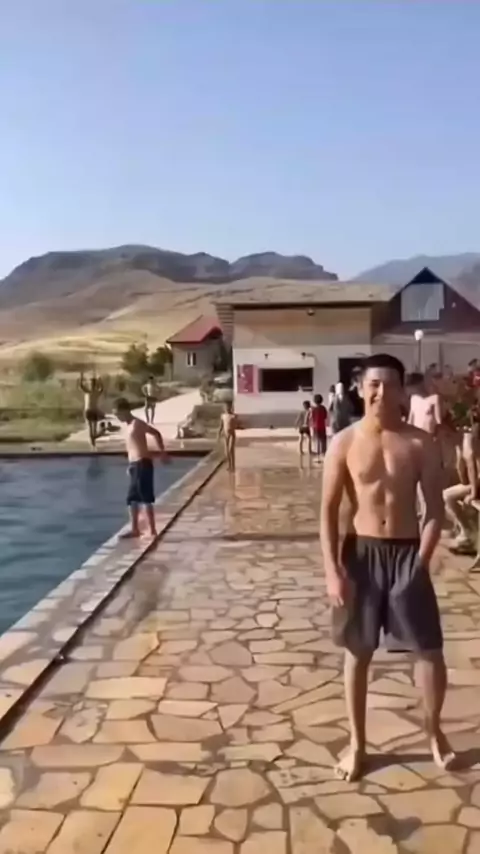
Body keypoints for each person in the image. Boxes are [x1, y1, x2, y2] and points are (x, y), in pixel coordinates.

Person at [320, 353, 452, 782]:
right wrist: (332, 571)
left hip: (408, 553)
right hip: (360, 554)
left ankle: (434, 732)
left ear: (401, 391)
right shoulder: (343, 442)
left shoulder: (419, 443)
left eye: (389, 384)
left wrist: (421, 564)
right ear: (361, 388)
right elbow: (327, 512)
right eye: (373, 384)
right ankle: (357, 744)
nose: (381, 392)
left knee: (428, 650)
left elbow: (434, 512)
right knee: (357, 653)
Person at [114, 397, 169, 539]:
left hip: (142, 463)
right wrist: (130, 466)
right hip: (135, 465)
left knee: (144, 497)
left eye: (117, 414)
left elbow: (156, 433)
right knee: (133, 498)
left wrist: (162, 453)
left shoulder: (137, 423)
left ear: (125, 410)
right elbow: (131, 447)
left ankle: (152, 530)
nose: (117, 417)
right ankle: (136, 529)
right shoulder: (128, 426)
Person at [443, 424, 480, 554]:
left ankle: (467, 533)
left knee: (448, 496)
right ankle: (466, 531)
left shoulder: (469, 440)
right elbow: (463, 476)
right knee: (447, 495)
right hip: (476, 482)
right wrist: (459, 454)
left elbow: (472, 467)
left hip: (478, 483)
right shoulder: (461, 443)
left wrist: (473, 493)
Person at [407, 372, 442, 437]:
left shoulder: (434, 398)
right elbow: (410, 419)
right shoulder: (413, 398)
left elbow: (438, 421)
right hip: (416, 434)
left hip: (429, 434)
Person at [78, 373, 104, 448]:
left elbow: (81, 386)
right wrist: (100, 381)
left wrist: (81, 378)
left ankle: (93, 441)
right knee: (92, 428)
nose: (91, 386)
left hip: (90, 410)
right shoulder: (93, 392)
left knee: (92, 428)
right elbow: (101, 389)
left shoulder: (89, 392)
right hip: (91, 410)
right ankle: (93, 441)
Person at [218, 402, 237, 471]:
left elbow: (235, 425)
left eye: (228, 408)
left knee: (231, 450)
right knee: (227, 451)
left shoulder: (233, 416)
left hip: (231, 434)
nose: (227, 409)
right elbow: (221, 425)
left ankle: (233, 466)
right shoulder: (223, 416)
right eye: (226, 408)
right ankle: (229, 465)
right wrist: (219, 433)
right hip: (226, 434)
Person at [310, 394, 328, 458]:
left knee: (317, 439)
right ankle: (323, 452)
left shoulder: (313, 409)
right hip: (322, 426)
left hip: (315, 426)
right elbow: (325, 416)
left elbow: (312, 418)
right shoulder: (323, 408)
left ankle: (318, 451)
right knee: (323, 439)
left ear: (314, 401)